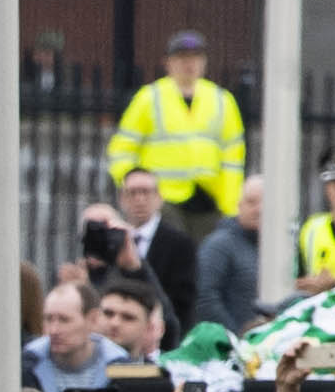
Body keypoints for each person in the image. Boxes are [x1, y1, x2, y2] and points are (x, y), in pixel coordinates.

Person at [105, 29, 247, 242]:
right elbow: (122, 150)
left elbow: (233, 159)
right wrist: (137, 188)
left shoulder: (222, 100)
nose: (189, 64)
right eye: (182, 58)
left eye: (195, 58)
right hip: (164, 199)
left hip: (209, 201)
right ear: (168, 63)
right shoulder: (148, 98)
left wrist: (230, 205)